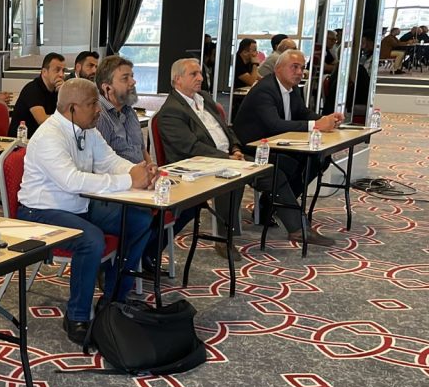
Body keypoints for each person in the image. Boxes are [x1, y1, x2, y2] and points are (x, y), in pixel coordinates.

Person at [18, 79, 153, 344]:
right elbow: (72, 181)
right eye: (92, 104)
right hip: (40, 211)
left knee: (138, 220)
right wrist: (129, 180)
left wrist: (138, 171)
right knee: (91, 240)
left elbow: (108, 160)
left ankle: (114, 298)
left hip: (78, 205)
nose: (99, 109)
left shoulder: (87, 129)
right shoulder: (48, 136)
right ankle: (77, 315)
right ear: (72, 108)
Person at [232, 49, 341, 246]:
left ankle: (269, 206)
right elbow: (275, 125)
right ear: (278, 69)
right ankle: (297, 227)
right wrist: (316, 125)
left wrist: (327, 119)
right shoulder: (265, 90)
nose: (299, 72)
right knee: (284, 168)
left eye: (302, 68)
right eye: (294, 67)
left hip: (277, 145)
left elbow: (302, 113)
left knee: (318, 160)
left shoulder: (292, 88)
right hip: (252, 148)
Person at [155, 59, 251, 260]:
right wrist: (228, 158)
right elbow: (190, 147)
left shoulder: (204, 98)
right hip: (195, 164)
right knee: (232, 176)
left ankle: (289, 221)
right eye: (194, 74)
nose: (200, 78)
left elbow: (225, 129)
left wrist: (235, 148)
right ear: (177, 79)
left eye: (200, 73)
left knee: (271, 170)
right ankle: (223, 238)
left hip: (226, 155)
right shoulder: (172, 110)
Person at [95, 55, 150, 164]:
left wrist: (151, 167)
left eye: (132, 76)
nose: (133, 82)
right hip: (120, 174)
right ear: (107, 88)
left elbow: (142, 150)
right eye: (125, 78)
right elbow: (100, 163)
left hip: (141, 172)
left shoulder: (129, 111)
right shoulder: (99, 115)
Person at [8, 52, 65, 138]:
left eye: (63, 71)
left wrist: (64, 93)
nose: (61, 75)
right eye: (57, 70)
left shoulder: (59, 89)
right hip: (21, 141)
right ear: (44, 72)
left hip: (44, 138)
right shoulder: (32, 89)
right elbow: (42, 120)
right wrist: (64, 119)